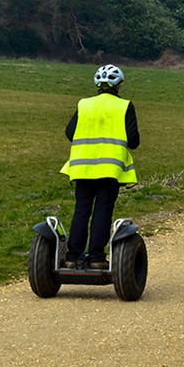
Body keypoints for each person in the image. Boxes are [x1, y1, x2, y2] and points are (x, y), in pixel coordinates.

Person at [60, 64, 140, 269]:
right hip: (109, 168)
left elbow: (70, 133)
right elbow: (133, 140)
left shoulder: (84, 104)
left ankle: (72, 256)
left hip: (82, 167)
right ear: (118, 85)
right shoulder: (124, 106)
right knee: (103, 210)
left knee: (82, 209)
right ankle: (96, 258)